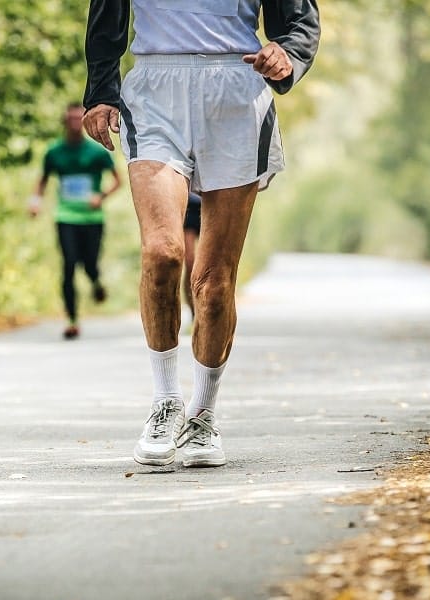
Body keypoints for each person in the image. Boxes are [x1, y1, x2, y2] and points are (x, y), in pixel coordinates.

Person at [83, 1, 320, 467]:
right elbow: (106, 15)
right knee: (163, 253)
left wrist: (287, 52)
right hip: (156, 88)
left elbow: (299, 21)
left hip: (237, 90)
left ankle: (203, 416)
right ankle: (166, 401)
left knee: (213, 284)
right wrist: (100, 92)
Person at [30, 103, 122, 340]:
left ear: (83, 121)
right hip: (66, 216)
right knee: (69, 264)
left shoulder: (97, 153)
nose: (73, 123)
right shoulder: (54, 152)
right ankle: (72, 320)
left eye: (77, 118)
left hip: (92, 217)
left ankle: (96, 282)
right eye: (69, 119)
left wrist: (100, 196)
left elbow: (117, 181)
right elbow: (42, 180)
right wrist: (35, 202)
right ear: (64, 121)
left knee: (89, 263)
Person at [182, 191, 201, 319]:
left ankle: (207, 310)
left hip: (212, 200)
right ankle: (194, 311)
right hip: (189, 207)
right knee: (190, 263)